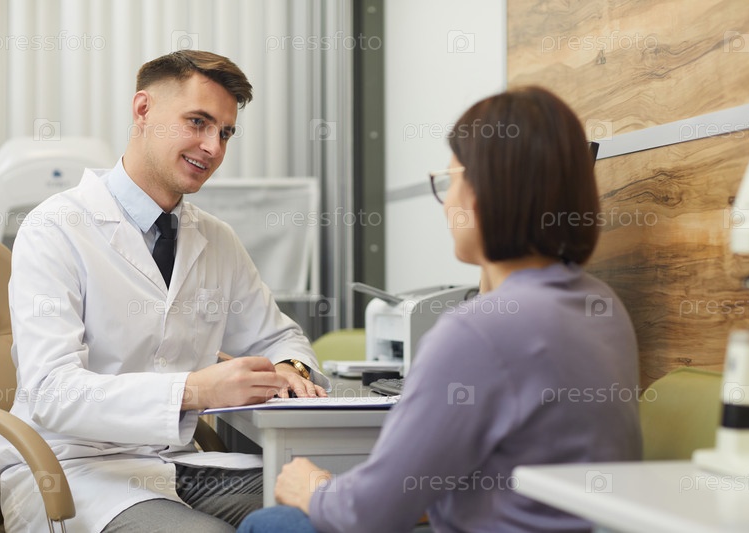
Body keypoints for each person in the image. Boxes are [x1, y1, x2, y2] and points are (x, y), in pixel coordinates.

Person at [237, 86, 642, 532]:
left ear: (486, 193)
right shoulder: (603, 305)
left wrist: (312, 486)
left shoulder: (479, 332)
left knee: (270, 523)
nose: (447, 202)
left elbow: (369, 514)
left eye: (450, 181)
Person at [0, 50, 330, 533]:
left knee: (333, 506)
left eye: (225, 133)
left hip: (177, 464)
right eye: (198, 122)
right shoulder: (55, 228)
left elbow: (281, 338)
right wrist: (195, 391)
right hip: (72, 469)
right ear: (143, 110)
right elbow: (52, 392)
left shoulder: (217, 240)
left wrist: (289, 369)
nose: (212, 147)